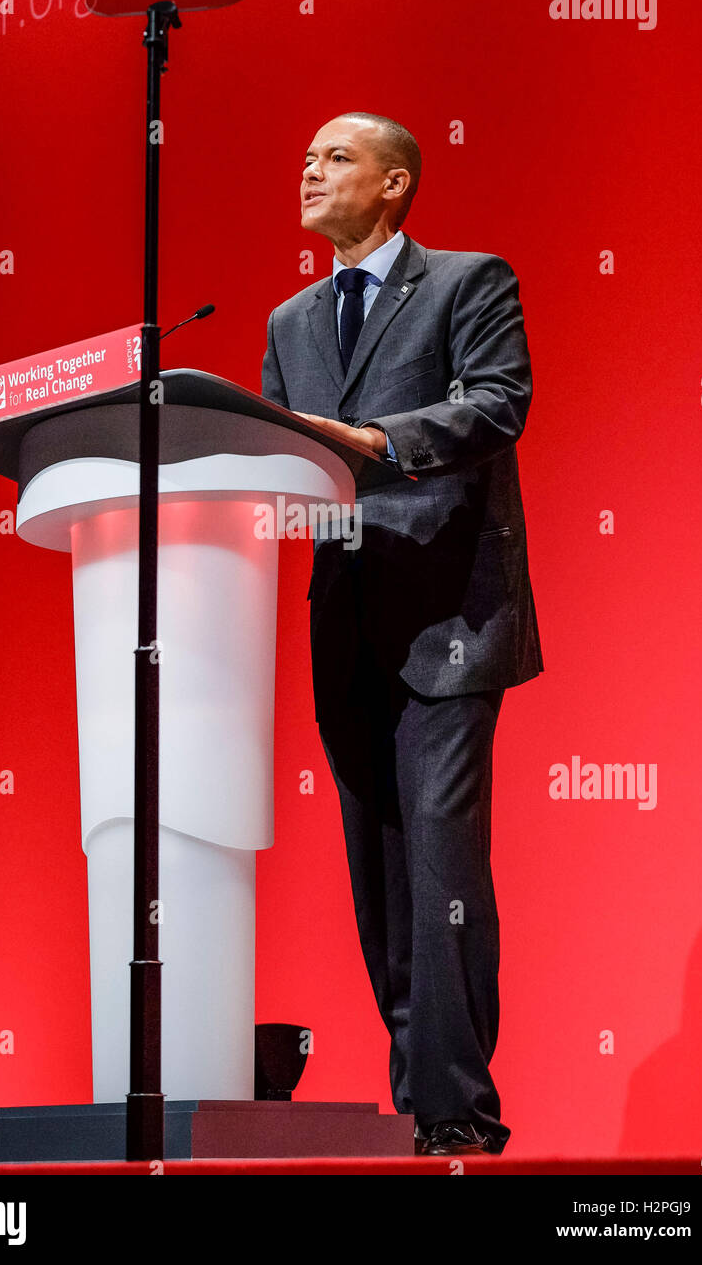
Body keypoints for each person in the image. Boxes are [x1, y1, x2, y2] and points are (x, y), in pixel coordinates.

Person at [260, 112, 543, 1155]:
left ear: (393, 185)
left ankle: (457, 1111)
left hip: (449, 617)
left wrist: (378, 439)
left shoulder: (468, 281)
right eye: (306, 154)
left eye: (334, 155)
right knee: (378, 875)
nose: (310, 166)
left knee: (439, 863)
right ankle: (417, 1099)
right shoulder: (289, 319)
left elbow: (496, 404)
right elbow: (284, 459)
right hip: (344, 618)